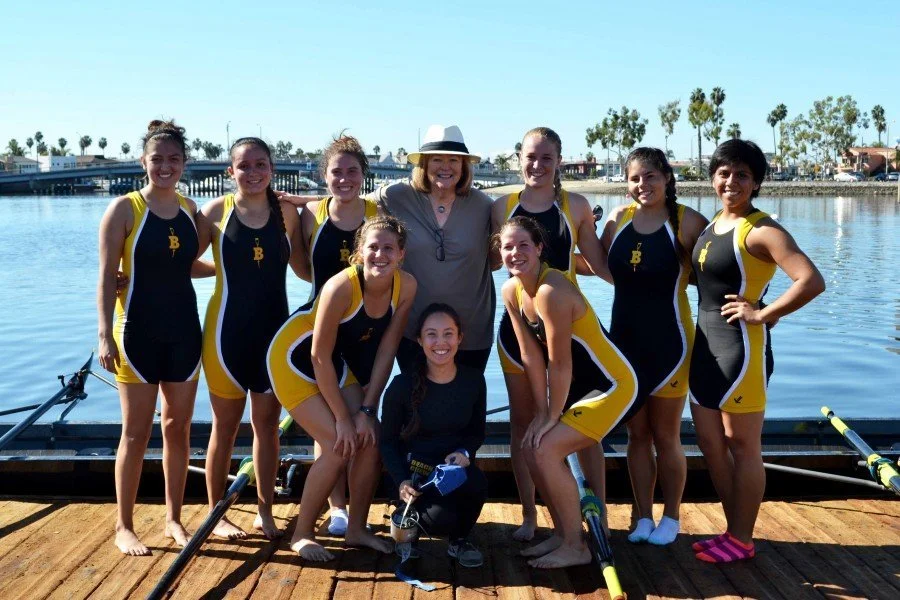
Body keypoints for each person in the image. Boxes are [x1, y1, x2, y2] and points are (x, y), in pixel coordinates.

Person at [689, 139, 824, 563]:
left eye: (742, 175)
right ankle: (733, 530)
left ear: (756, 182)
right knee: (711, 445)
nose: (731, 181)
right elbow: (707, 282)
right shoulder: (714, 225)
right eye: (724, 172)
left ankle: (743, 539)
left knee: (743, 446)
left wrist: (763, 313)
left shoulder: (761, 229)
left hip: (740, 351)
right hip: (704, 348)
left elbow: (810, 280)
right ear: (713, 177)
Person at [267, 215, 417, 561]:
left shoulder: (406, 287)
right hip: (292, 359)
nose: (381, 255)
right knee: (338, 443)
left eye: (388, 249)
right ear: (359, 253)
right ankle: (301, 534)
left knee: (370, 437)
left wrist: (365, 411)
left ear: (401, 254)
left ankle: (357, 529)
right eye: (373, 248)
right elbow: (317, 355)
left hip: (334, 365)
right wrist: (342, 418)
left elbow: (387, 350)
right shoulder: (341, 287)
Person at [497, 216, 638, 569]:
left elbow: (559, 365)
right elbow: (531, 358)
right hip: (581, 389)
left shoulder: (551, 291)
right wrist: (540, 414)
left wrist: (549, 416)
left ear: (540, 248)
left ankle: (577, 546)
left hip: (613, 386)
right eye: (507, 247)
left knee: (544, 447)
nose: (515, 253)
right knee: (532, 447)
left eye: (523, 245)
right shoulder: (511, 291)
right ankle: (563, 533)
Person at [491, 127, 608, 542]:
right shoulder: (500, 206)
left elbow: (598, 263)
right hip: (517, 331)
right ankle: (528, 516)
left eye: (546, 158)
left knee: (582, 427)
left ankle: (598, 515)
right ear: (518, 159)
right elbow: (486, 263)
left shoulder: (574, 205)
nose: (537, 165)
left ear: (559, 161)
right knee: (524, 424)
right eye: (530, 157)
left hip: (565, 337)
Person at [97, 119, 208, 556]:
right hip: (136, 335)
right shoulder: (125, 209)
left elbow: (184, 266)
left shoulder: (190, 210)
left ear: (184, 164)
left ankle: (173, 519)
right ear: (144, 161)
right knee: (136, 434)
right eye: (157, 159)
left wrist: (228, 270)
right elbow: (108, 278)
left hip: (184, 333)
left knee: (178, 429)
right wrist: (105, 335)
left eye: (173, 159)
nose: (165, 166)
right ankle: (123, 525)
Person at [198, 137, 307, 540]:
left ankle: (265, 511)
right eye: (244, 166)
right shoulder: (213, 213)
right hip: (225, 337)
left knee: (266, 425)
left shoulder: (287, 215)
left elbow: (303, 267)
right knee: (223, 428)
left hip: (272, 336)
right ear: (231, 172)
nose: (253, 172)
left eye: (261, 164)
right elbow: (181, 262)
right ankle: (215, 514)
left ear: (272, 169)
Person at [601, 147, 708, 546]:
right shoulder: (616, 219)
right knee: (636, 437)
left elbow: (722, 269)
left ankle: (672, 516)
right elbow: (594, 263)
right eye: (634, 178)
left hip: (671, 345)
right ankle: (643, 516)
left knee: (666, 437)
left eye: (650, 176)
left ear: (666, 178)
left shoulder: (688, 222)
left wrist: (758, 306)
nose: (642, 185)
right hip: (625, 343)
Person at [279, 134, 381, 536]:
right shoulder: (311, 216)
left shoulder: (377, 212)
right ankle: (337, 507)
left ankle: (359, 511)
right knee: (330, 425)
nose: (344, 179)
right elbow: (302, 266)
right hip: (323, 330)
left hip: (368, 331)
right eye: (336, 171)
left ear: (363, 175)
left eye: (352, 171)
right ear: (324, 176)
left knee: (362, 420)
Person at [369, 124, 495, 374]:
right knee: (416, 402)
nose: (445, 166)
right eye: (437, 159)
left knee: (464, 403)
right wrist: (304, 203)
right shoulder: (396, 196)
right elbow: (349, 203)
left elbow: (503, 253)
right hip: (412, 329)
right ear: (424, 164)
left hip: (472, 331)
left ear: (464, 166)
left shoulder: (484, 206)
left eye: (454, 160)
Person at [380, 303, 488, 567]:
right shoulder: (401, 385)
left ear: (460, 338)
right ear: (419, 340)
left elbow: (476, 432)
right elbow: (387, 441)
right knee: (441, 521)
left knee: (479, 482)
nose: (441, 342)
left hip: (451, 472)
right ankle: (407, 524)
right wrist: (402, 481)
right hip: (414, 474)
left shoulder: (474, 380)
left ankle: (459, 542)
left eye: (448, 333)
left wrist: (464, 452)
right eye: (431, 334)